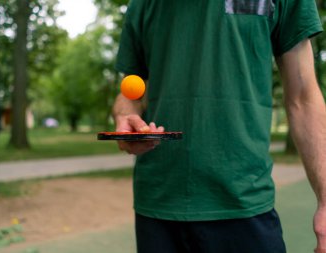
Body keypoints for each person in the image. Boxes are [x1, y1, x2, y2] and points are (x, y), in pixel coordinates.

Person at [112, 0, 326, 252]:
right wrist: (126, 118)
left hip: (243, 202)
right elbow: (132, 89)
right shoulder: (142, 4)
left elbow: (303, 97)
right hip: (158, 205)